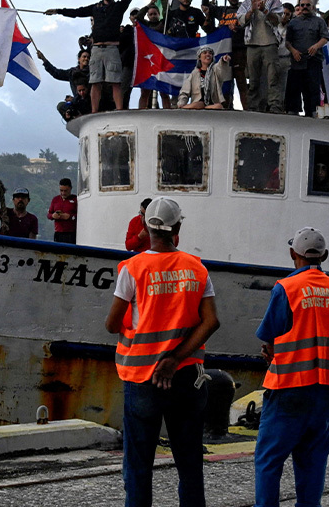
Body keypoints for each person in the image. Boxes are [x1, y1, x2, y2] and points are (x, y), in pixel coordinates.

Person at [105, 197, 220, 507]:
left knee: (139, 465)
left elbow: (112, 324)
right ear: (178, 227)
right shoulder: (196, 268)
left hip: (143, 378)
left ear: (145, 226)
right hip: (186, 377)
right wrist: (175, 359)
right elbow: (211, 322)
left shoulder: (133, 268)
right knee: (190, 462)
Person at [254, 227, 329, 507]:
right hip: (325, 390)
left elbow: (270, 336)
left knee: (269, 460)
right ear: (325, 256)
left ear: (293, 253)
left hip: (289, 388)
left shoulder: (287, 288)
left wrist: (271, 351)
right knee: (313, 462)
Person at [45, 0, 134, 114]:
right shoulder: (95, 8)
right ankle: (94, 111)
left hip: (112, 48)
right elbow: (77, 12)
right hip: (97, 49)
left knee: (115, 82)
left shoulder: (118, 7)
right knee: (95, 82)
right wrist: (58, 11)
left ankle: (119, 110)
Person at [236, 0, 284, 112]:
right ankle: (253, 107)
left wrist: (265, 10)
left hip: (270, 43)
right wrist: (252, 10)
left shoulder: (274, 0)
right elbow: (240, 20)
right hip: (252, 44)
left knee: (273, 78)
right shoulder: (246, 3)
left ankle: (275, 106)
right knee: (253, 79)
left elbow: (278, 20)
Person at [203, 0, 248, 108]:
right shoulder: (221, 10)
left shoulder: (244, 8)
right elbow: (206, 6)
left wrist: (238, 28)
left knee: (241, 81)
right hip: (223, 51)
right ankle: (227, 109)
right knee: (224, 82)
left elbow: (249, 22)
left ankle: (247, 109)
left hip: (239, 49)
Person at [284, 0, 329, 117]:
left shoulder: (319, 22)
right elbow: (288, 42)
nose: (305, 7)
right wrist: (293, 51)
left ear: (312, 7)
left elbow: (325, 37)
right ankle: (293, 113)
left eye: (307, 5)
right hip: (297, 61)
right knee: (294, 89)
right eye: (302, 5)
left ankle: (312, 113)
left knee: (312, 89)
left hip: (313, 61)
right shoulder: (293, 22)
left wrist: (316, 46)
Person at [269, 2, 294, 114]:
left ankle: (279, 109)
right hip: (272, 58)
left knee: (282, 86)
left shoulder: (292, 29)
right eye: (283, 13)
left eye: (287, 14)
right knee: (270, 84)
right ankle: (269, 107)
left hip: (285, 59)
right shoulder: (271, 25)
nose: (284, 16)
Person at [48, 178, 77, 244]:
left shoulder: (75, 199)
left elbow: (81, 216)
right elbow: (49, 214)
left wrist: (70, 217)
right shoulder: (55, 200)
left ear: (70, 189)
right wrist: (53, 215)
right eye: (61, 190)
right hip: (58, 233)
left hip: (71, 234)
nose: (63, 193)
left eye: (65, 191)